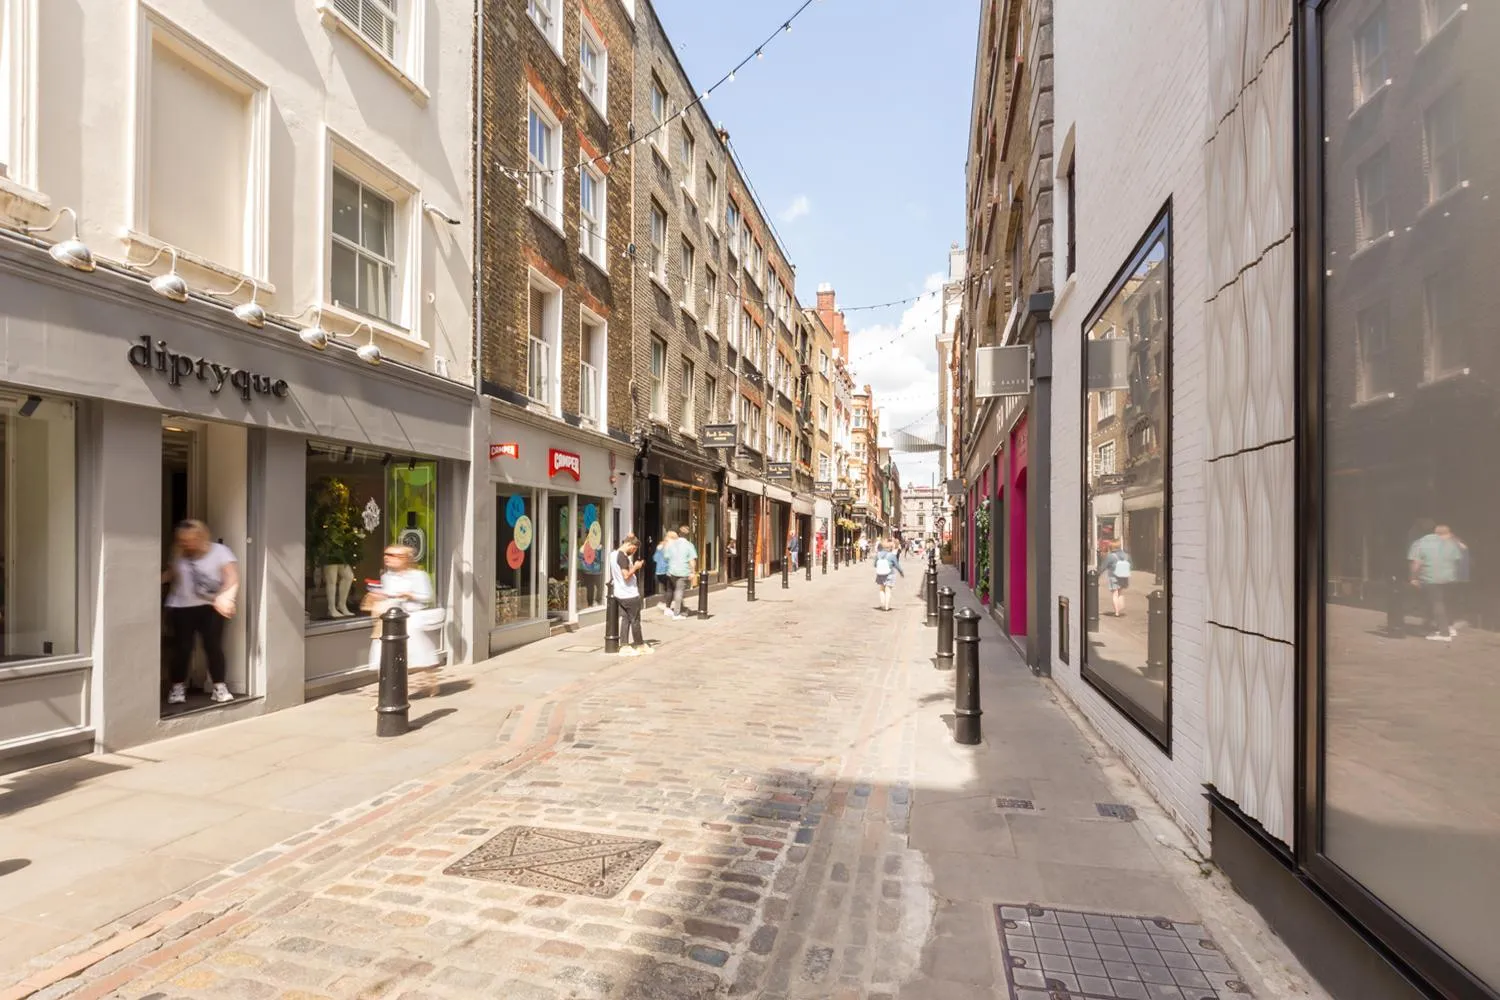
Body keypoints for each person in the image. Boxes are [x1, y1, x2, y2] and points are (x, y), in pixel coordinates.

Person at [162, 520, 239, 705]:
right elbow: (172, 574)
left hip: (211, 606)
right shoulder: (178, 553)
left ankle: (219, 687)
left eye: (191, 539)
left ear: (201, 536)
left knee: (213, 646)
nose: (187, 543)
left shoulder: (220, 552)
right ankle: (177, 687)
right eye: (182, 540)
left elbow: (232, 578)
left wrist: (227, 598)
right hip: (180, 607)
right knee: (182, 648)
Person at [366, 545, 441, 689]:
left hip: (410, 618)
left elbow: (427, 597)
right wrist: (379, 596)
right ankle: (388, 691)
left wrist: (409, 595)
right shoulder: (386, 576)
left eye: (392, 555)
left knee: (417, 654)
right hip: (390, 619)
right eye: (386, 554)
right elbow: (388, 595)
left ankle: (430, 681)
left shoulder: (419, 575)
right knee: (383, 653)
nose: (387, 557)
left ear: (404, 559)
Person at [1409, 522, 1467, 641]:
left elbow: (1416, 563)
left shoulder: (1420, 543)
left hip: (1430, 578)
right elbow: (1458, 559)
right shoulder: (1452, 543)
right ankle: (1448, 627)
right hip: (1450, 578)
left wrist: (1413, 577)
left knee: (1436, 603)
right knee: (1444, 602)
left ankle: (1444, 633)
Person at [611, 534, 649, 655]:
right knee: (635, 621)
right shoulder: (622, 557)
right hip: (629, 594)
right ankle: (640, 645)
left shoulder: (613, 554)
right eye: (634, 548)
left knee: (625, 620)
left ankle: (624, 646)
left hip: (620, 593)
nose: (634, 551)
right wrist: (636, 567)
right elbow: (626, 575)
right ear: (629, 544)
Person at [667, 525, 698, 619]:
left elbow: (668, 557)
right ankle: (676, 614)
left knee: (677, 590)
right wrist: (693, 572)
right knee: (679, 591)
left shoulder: (672, 544)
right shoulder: (689, 545)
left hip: (672, 571)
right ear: (688, 535)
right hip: (683, 571)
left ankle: (681, 609)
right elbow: (692, 560)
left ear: (679, 534)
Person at [1102, 540, 1130, 617]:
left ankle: (1117, 612)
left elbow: (1103, 566)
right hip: (1123, 576)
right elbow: (1130, 563)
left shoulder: (1111, 556)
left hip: (1113, 576)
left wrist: (1097, 573)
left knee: (1115, 593)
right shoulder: (1125, 555)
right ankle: (1120, 608)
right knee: (1120, 592)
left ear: (1111, 548)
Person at [873, 537, 901, 611]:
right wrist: (901, 572)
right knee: (888, 590)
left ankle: (882, 603)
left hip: (880, 573)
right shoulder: (891, 555)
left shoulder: (878, 555)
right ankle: (887, 606)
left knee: (882, 589)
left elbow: (875, 564)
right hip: (890, 573)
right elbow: (896, 565)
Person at [654, 531, 677, 610]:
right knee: (670, 589)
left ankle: (666, 604)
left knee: (666, 589)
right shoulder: (671, 546)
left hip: (659, 571)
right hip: (667, 570)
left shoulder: (660, 546)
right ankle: (667, 607)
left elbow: (655, 558)